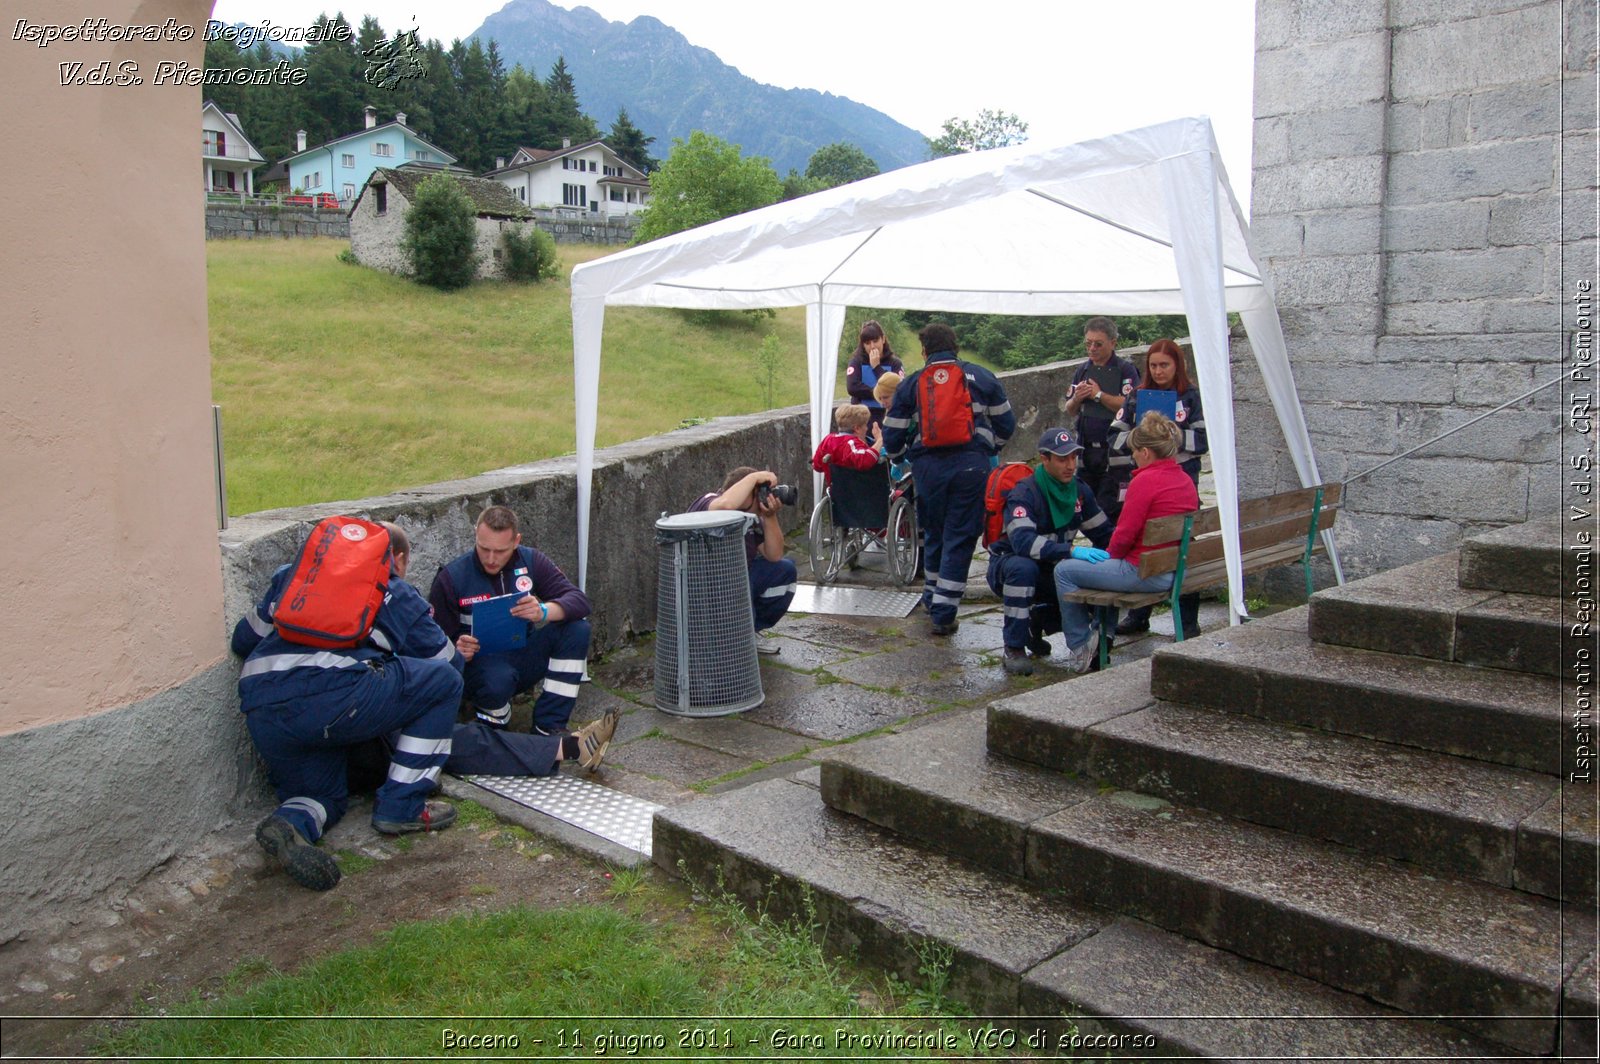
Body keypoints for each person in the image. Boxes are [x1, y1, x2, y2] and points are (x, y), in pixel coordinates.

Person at [234, 522, 618, 892]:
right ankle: (402, 805)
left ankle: (291, 823)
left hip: (264, 706)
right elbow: (446, 666)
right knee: (443, 712)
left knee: (322, 796)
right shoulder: (393, 590)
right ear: (397, 560)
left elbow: (242, 639)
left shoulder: (295, 577)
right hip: (342, 701)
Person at [883, 322, 1016, 636]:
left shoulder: (912, 384)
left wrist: (903, 458)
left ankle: (932, 595)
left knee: (935, 531)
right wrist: (988, 448)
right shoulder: (982, 377)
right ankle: (944, 611)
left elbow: (891, 436)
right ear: (956, 347)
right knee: (960, 534)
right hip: (971, 467)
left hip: (928, 470)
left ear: (925, 351)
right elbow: (1006, 424)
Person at [1053, 413, 1200, 672]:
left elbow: (1123, 537)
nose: (1132, 457)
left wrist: (1107, 556)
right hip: (1176, 569)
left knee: (1064, 570)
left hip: (1145, 572)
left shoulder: (1144, 481)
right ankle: (1104, 637)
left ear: (1145, 452)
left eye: (1134, 451)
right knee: (1102, 565)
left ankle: (1081, 646)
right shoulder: (1185, 479)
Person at [429, 506, 592, 736]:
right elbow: (432, 639)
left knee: (578, 628)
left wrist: (543, 611)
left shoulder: (530, 560)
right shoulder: (452, 577)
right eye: (484, 549)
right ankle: (494, 724)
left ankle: (549, 725)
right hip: (480, 666)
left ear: (516, 541)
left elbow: (580, 601)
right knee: (498, 679)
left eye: (501, 551)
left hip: (523, 652)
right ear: (476, 534)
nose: (492, 559)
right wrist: (456, 647)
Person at [985, 428, 1113, 676]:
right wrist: (1072, 551)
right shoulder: (1025, 493)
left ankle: (1043, 625)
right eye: (1062, 459)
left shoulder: (1079, 490)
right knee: (1024, 569)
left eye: (1074, 458)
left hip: (1053, 568)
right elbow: (1023, 543)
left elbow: (1103, 533)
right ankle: (1013, 647)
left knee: (1093, 572)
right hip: (1009, 566)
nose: (1070, 465)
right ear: (1044, 459)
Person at [1108, 339, 1209, 638]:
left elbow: (1203, 440)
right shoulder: (1138, 397)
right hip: (1144, 480)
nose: (1158, 370)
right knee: (1143, 542)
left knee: (1181, 546)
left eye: (1164, 365)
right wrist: (1144, 439)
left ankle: (1188, 622)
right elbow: (1114, 438)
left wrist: (1170, 437)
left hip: (1181, 481)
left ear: (1177, 365)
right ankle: (1139, 615)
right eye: (1153, 365)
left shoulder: (1190, 397)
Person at [689, 467, 799, 653]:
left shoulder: (750, 518)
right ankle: (732, 637)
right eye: (759, 494)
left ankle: (749, 631)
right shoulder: (708, 503)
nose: (763, 499)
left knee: (785, 570)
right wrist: (756, 477)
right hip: (704, 588)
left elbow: (774, 554)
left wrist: (769, 516)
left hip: (737, 578)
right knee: (738, 582)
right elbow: (724, 505)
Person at [1063, 316, 1140, 523]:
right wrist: (1077, 399)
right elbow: (1069, 409)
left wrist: (1099, 395)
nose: (1092, 349)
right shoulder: (1083, 370)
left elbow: (1130, 405)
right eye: (1088, 344)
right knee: (1087, 509)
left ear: (1113, 343)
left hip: (1114, 454)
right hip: (1087, 453)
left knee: (1112, 509)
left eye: (1098, 344)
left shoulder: (1126, 370)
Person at [845, 319, 905, 428]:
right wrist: (880, 393)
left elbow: (898, 389)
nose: (872, 346)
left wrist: (877, 367)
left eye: (875, 341)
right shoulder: (857, 362)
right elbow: (852, 387)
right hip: (861, 419)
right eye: (868, 343)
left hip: (887, 417)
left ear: (883, 339)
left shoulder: (895, 363)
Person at [811, 403, 885, 484]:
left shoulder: (828, 440)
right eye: (865, 425)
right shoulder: (851, 443)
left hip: (837, 490)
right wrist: (880, 440)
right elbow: (865, 460)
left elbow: (817, 466)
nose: (867, 428)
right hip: (863, 490)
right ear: (857, 428)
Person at [872, 373, 911, 484]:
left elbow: (894, 438)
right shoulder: (894, 409)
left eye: (886, 397)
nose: (883, 403)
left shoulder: (902, 409)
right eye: (880, 399)